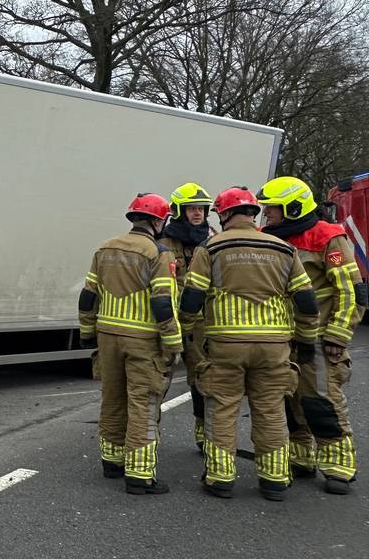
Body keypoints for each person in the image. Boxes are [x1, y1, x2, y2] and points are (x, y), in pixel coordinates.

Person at [179, 187, 319, 501]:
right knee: (271, 410)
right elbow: (307, 301)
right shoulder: (284, 249)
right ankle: (274, 479)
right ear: (253, 214)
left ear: (225, 214)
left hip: (226, 345)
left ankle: (220, 477)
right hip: (274, 346)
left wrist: (186, 333)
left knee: (222, 408)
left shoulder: (211, 247)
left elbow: (192, 298)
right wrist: (307, 340)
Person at [258, 176, 367, 494]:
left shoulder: (328, 237)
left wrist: (337, 335)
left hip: (318, 337)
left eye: (272, 208)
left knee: (320, 401)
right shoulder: (268, 238)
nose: (267, 213)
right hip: (281, 337)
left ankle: (338, 466)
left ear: (293, 208)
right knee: (287, 401)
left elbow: (350, 291)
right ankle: (300, 458)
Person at [79, 193, 182, 494]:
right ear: (157, 221)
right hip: (142, 340)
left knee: (112, 398)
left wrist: (87, 332)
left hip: (107, 337)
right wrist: (173, 344)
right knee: (143, 403)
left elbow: (88, 296)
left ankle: (112, 462)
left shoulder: (105, 248)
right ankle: (140, 474)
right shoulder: (158, 253)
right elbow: (163, 303)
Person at [163, 182, 215, 452]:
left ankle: (204, 430)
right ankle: (144, 430)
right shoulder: (163, 241)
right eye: (192, 208)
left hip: (199, 323)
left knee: (202, 377)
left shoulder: (213, 240)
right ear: (179, 211)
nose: (198, 213)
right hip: (168, 320)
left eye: (201, 209)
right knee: (156, 377)